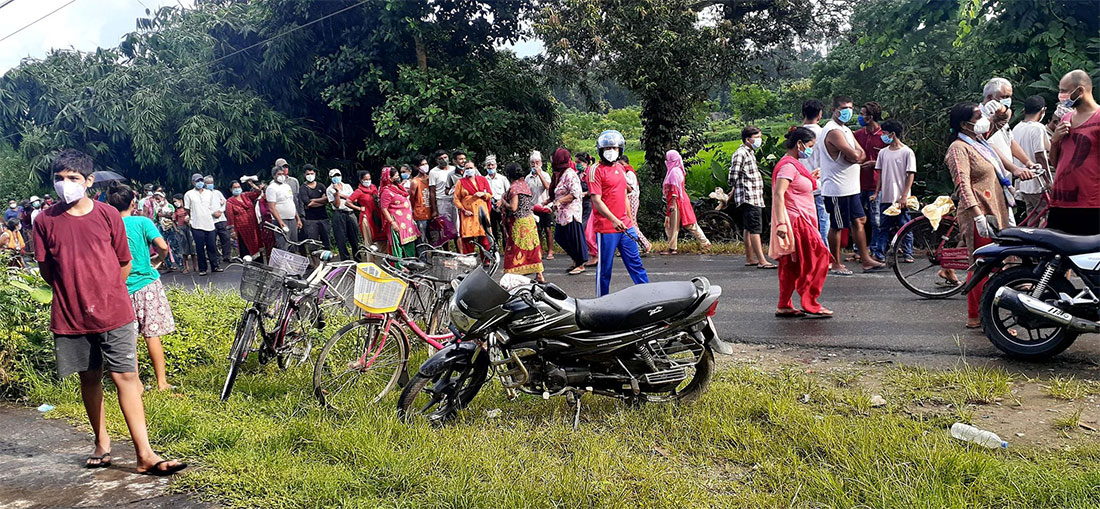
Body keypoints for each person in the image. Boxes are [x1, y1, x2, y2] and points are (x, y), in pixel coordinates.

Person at [33, 149, 186, 475]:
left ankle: (144, 454)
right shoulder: (45, 221)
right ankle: (101, 444)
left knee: (126, 378)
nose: (65, 184)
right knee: (89, 379)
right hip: (71, 316)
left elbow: (124, 264)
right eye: (59, 179)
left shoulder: (108, 216)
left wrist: (104, 294)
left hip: (115, 313)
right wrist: (78, 292)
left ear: (88, 181)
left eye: (73, 178)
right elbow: (47, 270)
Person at [945, 102, 1035, 328]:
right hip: (980, 213)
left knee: (992, 265)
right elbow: (962, 186)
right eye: (978, 116)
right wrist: (977, 215)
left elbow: (1001, 123)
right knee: (980, 266)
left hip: (995, 210)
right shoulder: (959, 148)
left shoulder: (980, 143)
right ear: (965, 124)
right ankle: (977, 318)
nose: (983, 119)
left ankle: (982, 317)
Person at [105, 183, 177, 391]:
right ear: (133, 203)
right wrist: (158, 260)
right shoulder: (142, 222)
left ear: (110, 204)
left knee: (129, 337)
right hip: (147, 284)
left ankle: (134, 384)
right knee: (151, 334)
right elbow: (163, 246)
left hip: (121, 287)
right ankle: (161, 382)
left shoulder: (108, 225)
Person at [769, 127, 832, 318]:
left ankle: (784, 304)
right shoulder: (788, 166)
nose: (811, 150)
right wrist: (780, 224)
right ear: (799, 144)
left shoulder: (793, 165)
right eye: (810, 146)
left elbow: (794, 188)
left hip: (798, 219)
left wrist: (809, 178)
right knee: (819, 257)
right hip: (797, 221)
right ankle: (810, 301)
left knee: (791, 264)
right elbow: (779, 194)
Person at [819, 96, 884, 275]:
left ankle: (866, 259)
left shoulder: (845, 130)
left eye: (850, 107)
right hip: (837, 188)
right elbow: (856, 156)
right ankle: (836, 263)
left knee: (860, 220)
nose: (848, 111)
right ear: (834, 110)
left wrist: (854, 156)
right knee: (838, 225)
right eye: (843, 108)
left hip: (851, 186)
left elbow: (860, 153)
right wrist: (854, 156)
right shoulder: (833, 131)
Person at [590, 130, 649, 297]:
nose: (611, 151)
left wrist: (631, 222)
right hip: (606, 227)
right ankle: (601, 302)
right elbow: (596, 200)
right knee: (605, 268)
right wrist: (614, 219)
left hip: (625, 226)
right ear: (600, 150)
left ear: (620, 150)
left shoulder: (621, 169)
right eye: (607, 148)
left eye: (614, 148)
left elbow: (624, 196)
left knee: (636, 264)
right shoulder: (595, 170)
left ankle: (649, 297)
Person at [980, 78, 1045, 227]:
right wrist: (1015, 168)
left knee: (1007, 226)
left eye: (1009, 96)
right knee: (1003, 229)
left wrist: (1028, 163)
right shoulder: (981, 118)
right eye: (1004, 97)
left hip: (1005, 182)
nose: (1008, 101)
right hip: (990, 181)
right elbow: (988, 147)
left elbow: (1010, 142)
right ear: (989, 98)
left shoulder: (1001, 118)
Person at [1048, 69, 1100, 236]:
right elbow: (1055, 163)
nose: (1060, 95)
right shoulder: (1065, 118)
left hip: (1091, 204)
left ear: (1080, 91)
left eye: (1064, 91)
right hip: (1060, 202)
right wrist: (1055, 140)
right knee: (1056, 257)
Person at [869, 119, 916, 263]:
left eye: (884, 133)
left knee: (905, 225)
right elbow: (881, 175)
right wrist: (877, 193)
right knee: (884, 226)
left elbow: (910, 174)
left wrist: (904, 195)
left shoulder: (907, 152)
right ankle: (879, 253)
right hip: (886, 197)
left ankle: (908, 252)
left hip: (901, 198)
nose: (883, 136)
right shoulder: (883, 153)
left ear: (892, 134)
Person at [727, 127, 772, 266]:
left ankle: (750, 258)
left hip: (753, 196)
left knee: (748, 228)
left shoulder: (749, 152)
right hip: (749, 196)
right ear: (748, 139)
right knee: (754, 228)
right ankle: (762, 260)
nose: (760, 140)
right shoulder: (741, 153)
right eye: (757, 137)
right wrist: (733, 187)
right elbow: (733, 175)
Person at [500, 162, 545, 281]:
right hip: (530, 220)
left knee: (514, 249)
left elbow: (513, 207)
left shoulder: (514, 188)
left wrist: (503, 202)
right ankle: (539, 274)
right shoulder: (524, 184)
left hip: (519, 223)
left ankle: (512, 275)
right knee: (533, 249)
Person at [853, 101, 887, 255]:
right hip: (857, 183)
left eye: (862, 114)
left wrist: (875, 163)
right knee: (857, 219)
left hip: (876, 185)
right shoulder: (857, 135)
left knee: (876, 220)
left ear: (870, 117)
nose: (859, 117)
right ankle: (858, 249)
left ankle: (875, 249)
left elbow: (891, 158)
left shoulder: (883, 137)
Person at [663, 149, 711, 255]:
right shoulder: (677, 170)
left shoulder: (674, 172)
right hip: (679, 200)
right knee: (675, 225)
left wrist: (672, 204)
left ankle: (704, 243)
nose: (666, 161)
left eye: (668, 158)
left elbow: (675, 189)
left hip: (676, 201)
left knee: (679, 225)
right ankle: (673, 247)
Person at [1011, 95, 1052, 218]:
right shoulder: (1037, 128)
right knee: (1047, 216)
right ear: (1043, 110)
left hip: (1023, 184)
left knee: (1033, 217)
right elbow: (1040, 155)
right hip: (1037, 184)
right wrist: (1048, 181)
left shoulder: (1016, 128)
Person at [549, 148, 588, 274]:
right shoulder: (559, 174)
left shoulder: (570, 174)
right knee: (560, 237)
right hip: (561, 212)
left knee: (573, 238)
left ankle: (580, 263)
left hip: (571, 212)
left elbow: (575, 193)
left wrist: (560, 202)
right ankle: (576, 260)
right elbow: (555, 192)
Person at [801, 99, 829, 247]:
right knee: (823, 220)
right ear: (820, 114)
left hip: (800, 184)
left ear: (803, 113)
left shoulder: (796, 133)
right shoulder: (824, 133)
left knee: (805, 221)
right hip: (820, 183)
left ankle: (807, 251)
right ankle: (824, 251)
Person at [183, 173, 222, 275]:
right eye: (197, 181)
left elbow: (211, 207)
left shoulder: (209, 193)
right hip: (196, 223)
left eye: (201, 181)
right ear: (193, 182)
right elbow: (187, 209)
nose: (199, 183)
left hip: (209, 222)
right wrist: (192, 219)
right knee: (199, 248)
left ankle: (215, 266)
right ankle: (202, 269)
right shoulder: (189, 194)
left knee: (212, 246)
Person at [378, 167, 420, 259]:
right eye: (396, 176)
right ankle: (399, 267)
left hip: (407, 222)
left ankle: (411, 263)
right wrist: (392, 223)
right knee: (398, 246)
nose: (398, 177)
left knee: (410, 244)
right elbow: (384, 209)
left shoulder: (398, 187)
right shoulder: (386, 192)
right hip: (397, 222)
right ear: (389, 178)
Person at [453, 161, 494, 254]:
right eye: (467, 168)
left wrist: (483, 194)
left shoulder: (482, 179)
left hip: (481, 212)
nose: (469, 170)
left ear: (475, 168)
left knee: (484, 237)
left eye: (471, 168)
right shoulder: (460, 182)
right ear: (464, 170)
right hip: (468, 213)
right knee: (468, 238)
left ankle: (486, 260)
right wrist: (463, 210)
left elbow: (490, 194)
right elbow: (456, 199)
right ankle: (469, 261)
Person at [225, 179, 267, 260]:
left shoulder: (246, 195)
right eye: (235, 187)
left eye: (238, 187)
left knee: (257, 246)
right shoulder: (230, 202)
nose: (237, 189)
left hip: (253, 227)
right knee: (246, 250)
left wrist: (252, 184)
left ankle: (260, 268)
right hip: (242, 230)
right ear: (231, 189)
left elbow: (258, 193)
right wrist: (232, 231)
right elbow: (230, 217)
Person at [526, 150, 555, 260]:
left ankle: (550, 251)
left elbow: (548, 187)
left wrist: (540, 174)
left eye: (537, 162)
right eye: (533, 163)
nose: (535, 165)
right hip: (534, 206)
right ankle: (540, 250)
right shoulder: (528, 178)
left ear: (541, 163)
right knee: (537, 230)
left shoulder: (546, 175)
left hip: (546, 206)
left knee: (548, 229)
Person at [327, 168, 361, 261]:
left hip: (350, 213)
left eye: (338, 175)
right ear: (330, 177)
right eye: (334, 176)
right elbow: (337, 205)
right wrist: (338, 193)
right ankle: (345, 261)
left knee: (354, 239)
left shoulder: (347, 186)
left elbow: (355, 199)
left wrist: (342, 195)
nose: (336, 177)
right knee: (341, 239)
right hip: (339, 214)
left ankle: (358, 260)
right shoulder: (329, 189)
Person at [266, 165, 302, 252]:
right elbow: (272, 207)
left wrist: (298, 219)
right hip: (281, 220)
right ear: (274, 175)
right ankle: (283, 265)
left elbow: (291, 203)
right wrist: (280, 222)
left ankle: (293, 265)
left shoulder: (287, 186)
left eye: (282, 174)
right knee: (283, 246)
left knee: (294, 245)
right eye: (279, 174)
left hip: (292, 219)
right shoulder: (271, 188)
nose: (281, 176)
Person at [298, 165, 333, 251]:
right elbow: (308, 203)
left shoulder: (321, 186)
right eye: (308, 174)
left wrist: (314, 201)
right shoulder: (303, 188)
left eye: (312, 173)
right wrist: (322, 201)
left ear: (315, 174)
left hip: (324, 218)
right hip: (311, 220)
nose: (310, 175)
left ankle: (327, 262)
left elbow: (328, 199)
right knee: (313, 244)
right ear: (304, 175)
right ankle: (316, 263)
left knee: (327, 242)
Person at [428, 150, 458, 247]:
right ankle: (447, 253)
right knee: (445, 228)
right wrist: (434, 210)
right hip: (442, 201)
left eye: (445, 157)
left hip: (455, 200)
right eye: (440, 158)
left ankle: (459, 252)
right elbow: (432, 192)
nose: (443, 160)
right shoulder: (433, 172)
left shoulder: (454, 169)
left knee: (457, 227)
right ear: (437, 160)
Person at [347, 171, 381, 249]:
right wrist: (359, 208)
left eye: (369, 179)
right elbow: (348, 202)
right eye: (366, 179)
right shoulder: (359, 191)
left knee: (380, 238)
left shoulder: (374, 188)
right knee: (368, 240)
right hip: (366, 217)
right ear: (361, 180)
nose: (368, 181)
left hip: (376, 216)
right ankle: (370, 259)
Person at [204, 176, 232, 263]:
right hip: (211, 220)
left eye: (211, 182)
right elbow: (204, 207)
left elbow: (225, 202)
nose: (210, 184)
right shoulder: (204, 195)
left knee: (226, 238)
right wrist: (213, 213)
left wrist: (220, 210)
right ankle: (216, 258)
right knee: (212, 240)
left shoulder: (217, 192)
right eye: (208, 183)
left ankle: (227, 256)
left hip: (221, 219)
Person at [484, 155, 509, 244]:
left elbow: (508, 192)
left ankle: (506, 248)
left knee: (504, 229)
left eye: (492, 165)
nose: (490, 167)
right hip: (489, 207)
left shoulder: (502, 178)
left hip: (501, 207)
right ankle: (495, 249)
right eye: (488, 165)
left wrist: (502, 201)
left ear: (496, 165)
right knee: (492, 229)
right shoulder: (484, 179)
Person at [408, 156, 433, 244]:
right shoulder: (415, 181)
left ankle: (434, 256)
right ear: (417, 167)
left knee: (433, 239)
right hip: (420, 215)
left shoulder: (430, 178)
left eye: (426, 164)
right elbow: (411, 199)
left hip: (431, 213)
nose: (425, 166)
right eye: (422, 164)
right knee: (421, 239)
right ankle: (422, 257)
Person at [168, 194, 195, 273]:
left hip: (189, 227)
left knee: (193, 248)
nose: (175, 203)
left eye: (175, 201)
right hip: (181, 229)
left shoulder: (187, 209)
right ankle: (186, 267)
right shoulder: (176, 211)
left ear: (181, 200)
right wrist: (176, 229)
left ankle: (195, 267)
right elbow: (173, 220)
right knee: (184, 249)